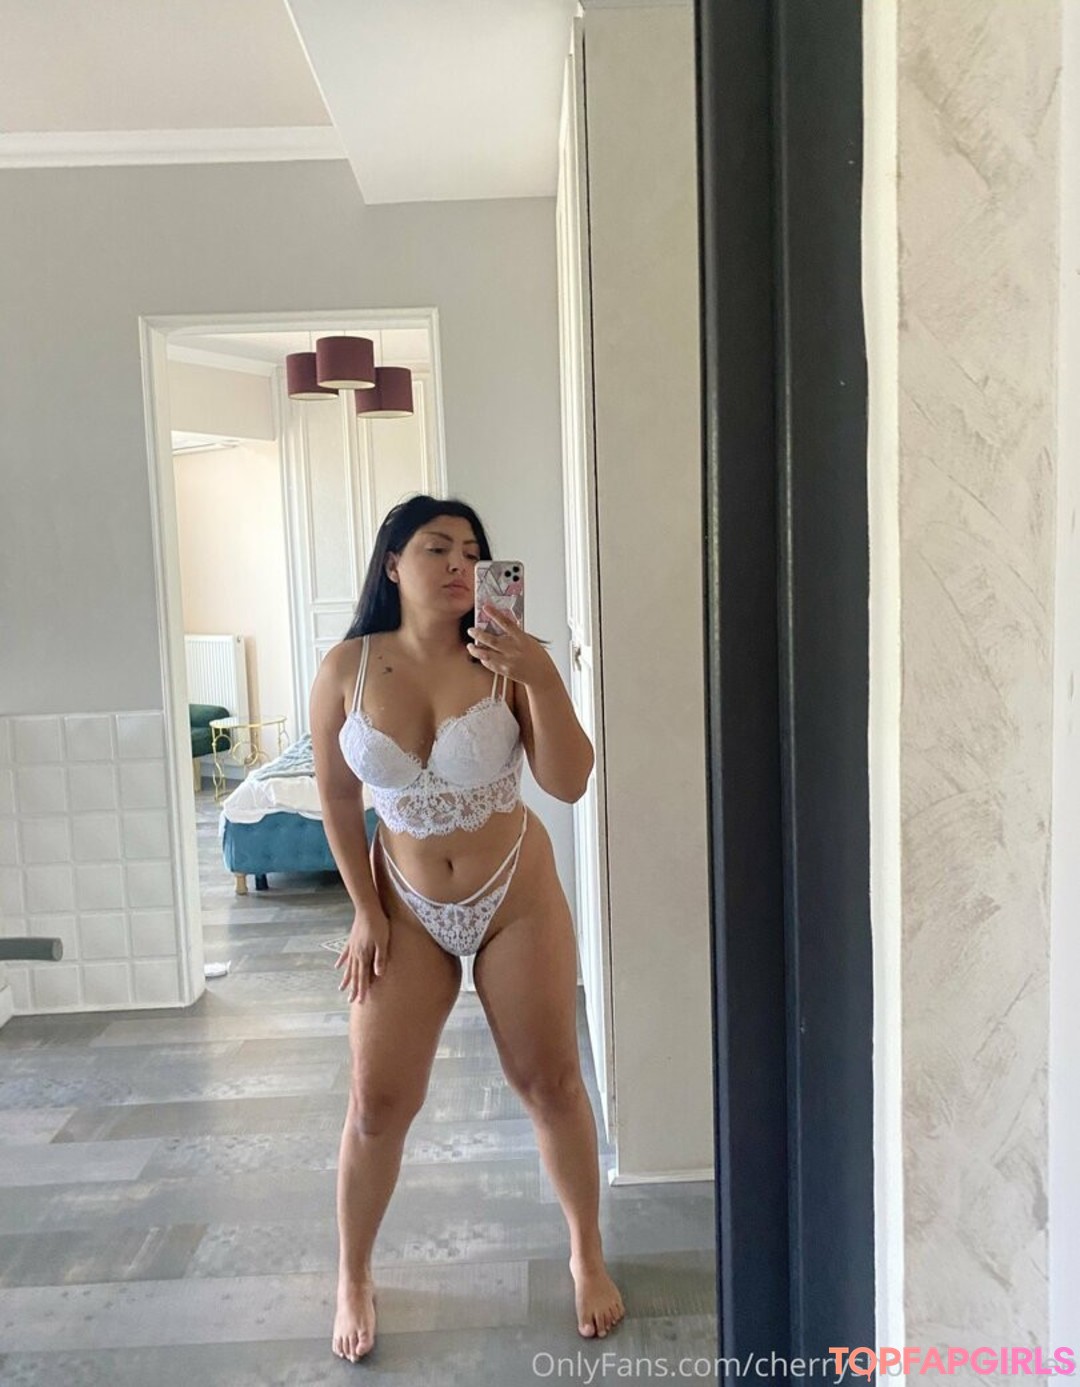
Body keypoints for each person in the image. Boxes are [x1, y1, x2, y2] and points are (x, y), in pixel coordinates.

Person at [309, 494, 626, 1363]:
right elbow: (336, 794)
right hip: (402, 906)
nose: (459, 562)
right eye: (436, 546)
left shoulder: (506, 659)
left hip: (514, 896)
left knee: (550, 1081)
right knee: (377, 1102)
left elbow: (569, 782)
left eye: (473, 550)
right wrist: (364, 909)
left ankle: (586, 1253)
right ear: (392, 564)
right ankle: (353, 1274)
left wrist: (542, 674)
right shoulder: (345, 667)